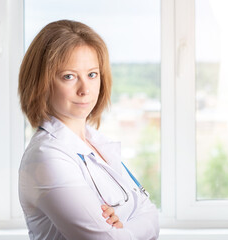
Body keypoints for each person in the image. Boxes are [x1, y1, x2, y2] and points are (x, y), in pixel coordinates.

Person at [18, 19, 159, 240]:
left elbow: (152, 216)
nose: (85, 89)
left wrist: (124, 226)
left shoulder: (96, 143)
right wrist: (132, 222)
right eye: (69, 76)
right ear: (41, 83)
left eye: (92, 74)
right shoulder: (47, 158)